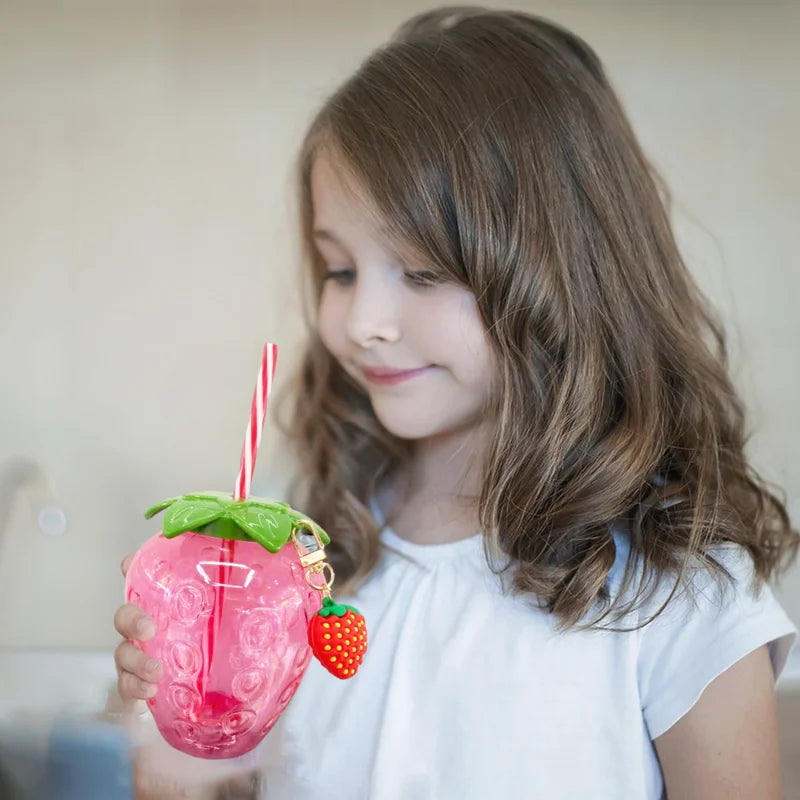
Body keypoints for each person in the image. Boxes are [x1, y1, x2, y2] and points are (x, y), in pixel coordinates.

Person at [113, 7, 799, 799]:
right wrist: (179, 740)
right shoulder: (305, 549)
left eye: (423, 271)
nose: (363, 323)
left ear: (563, 270)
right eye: (340, 271)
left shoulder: (682, 588)